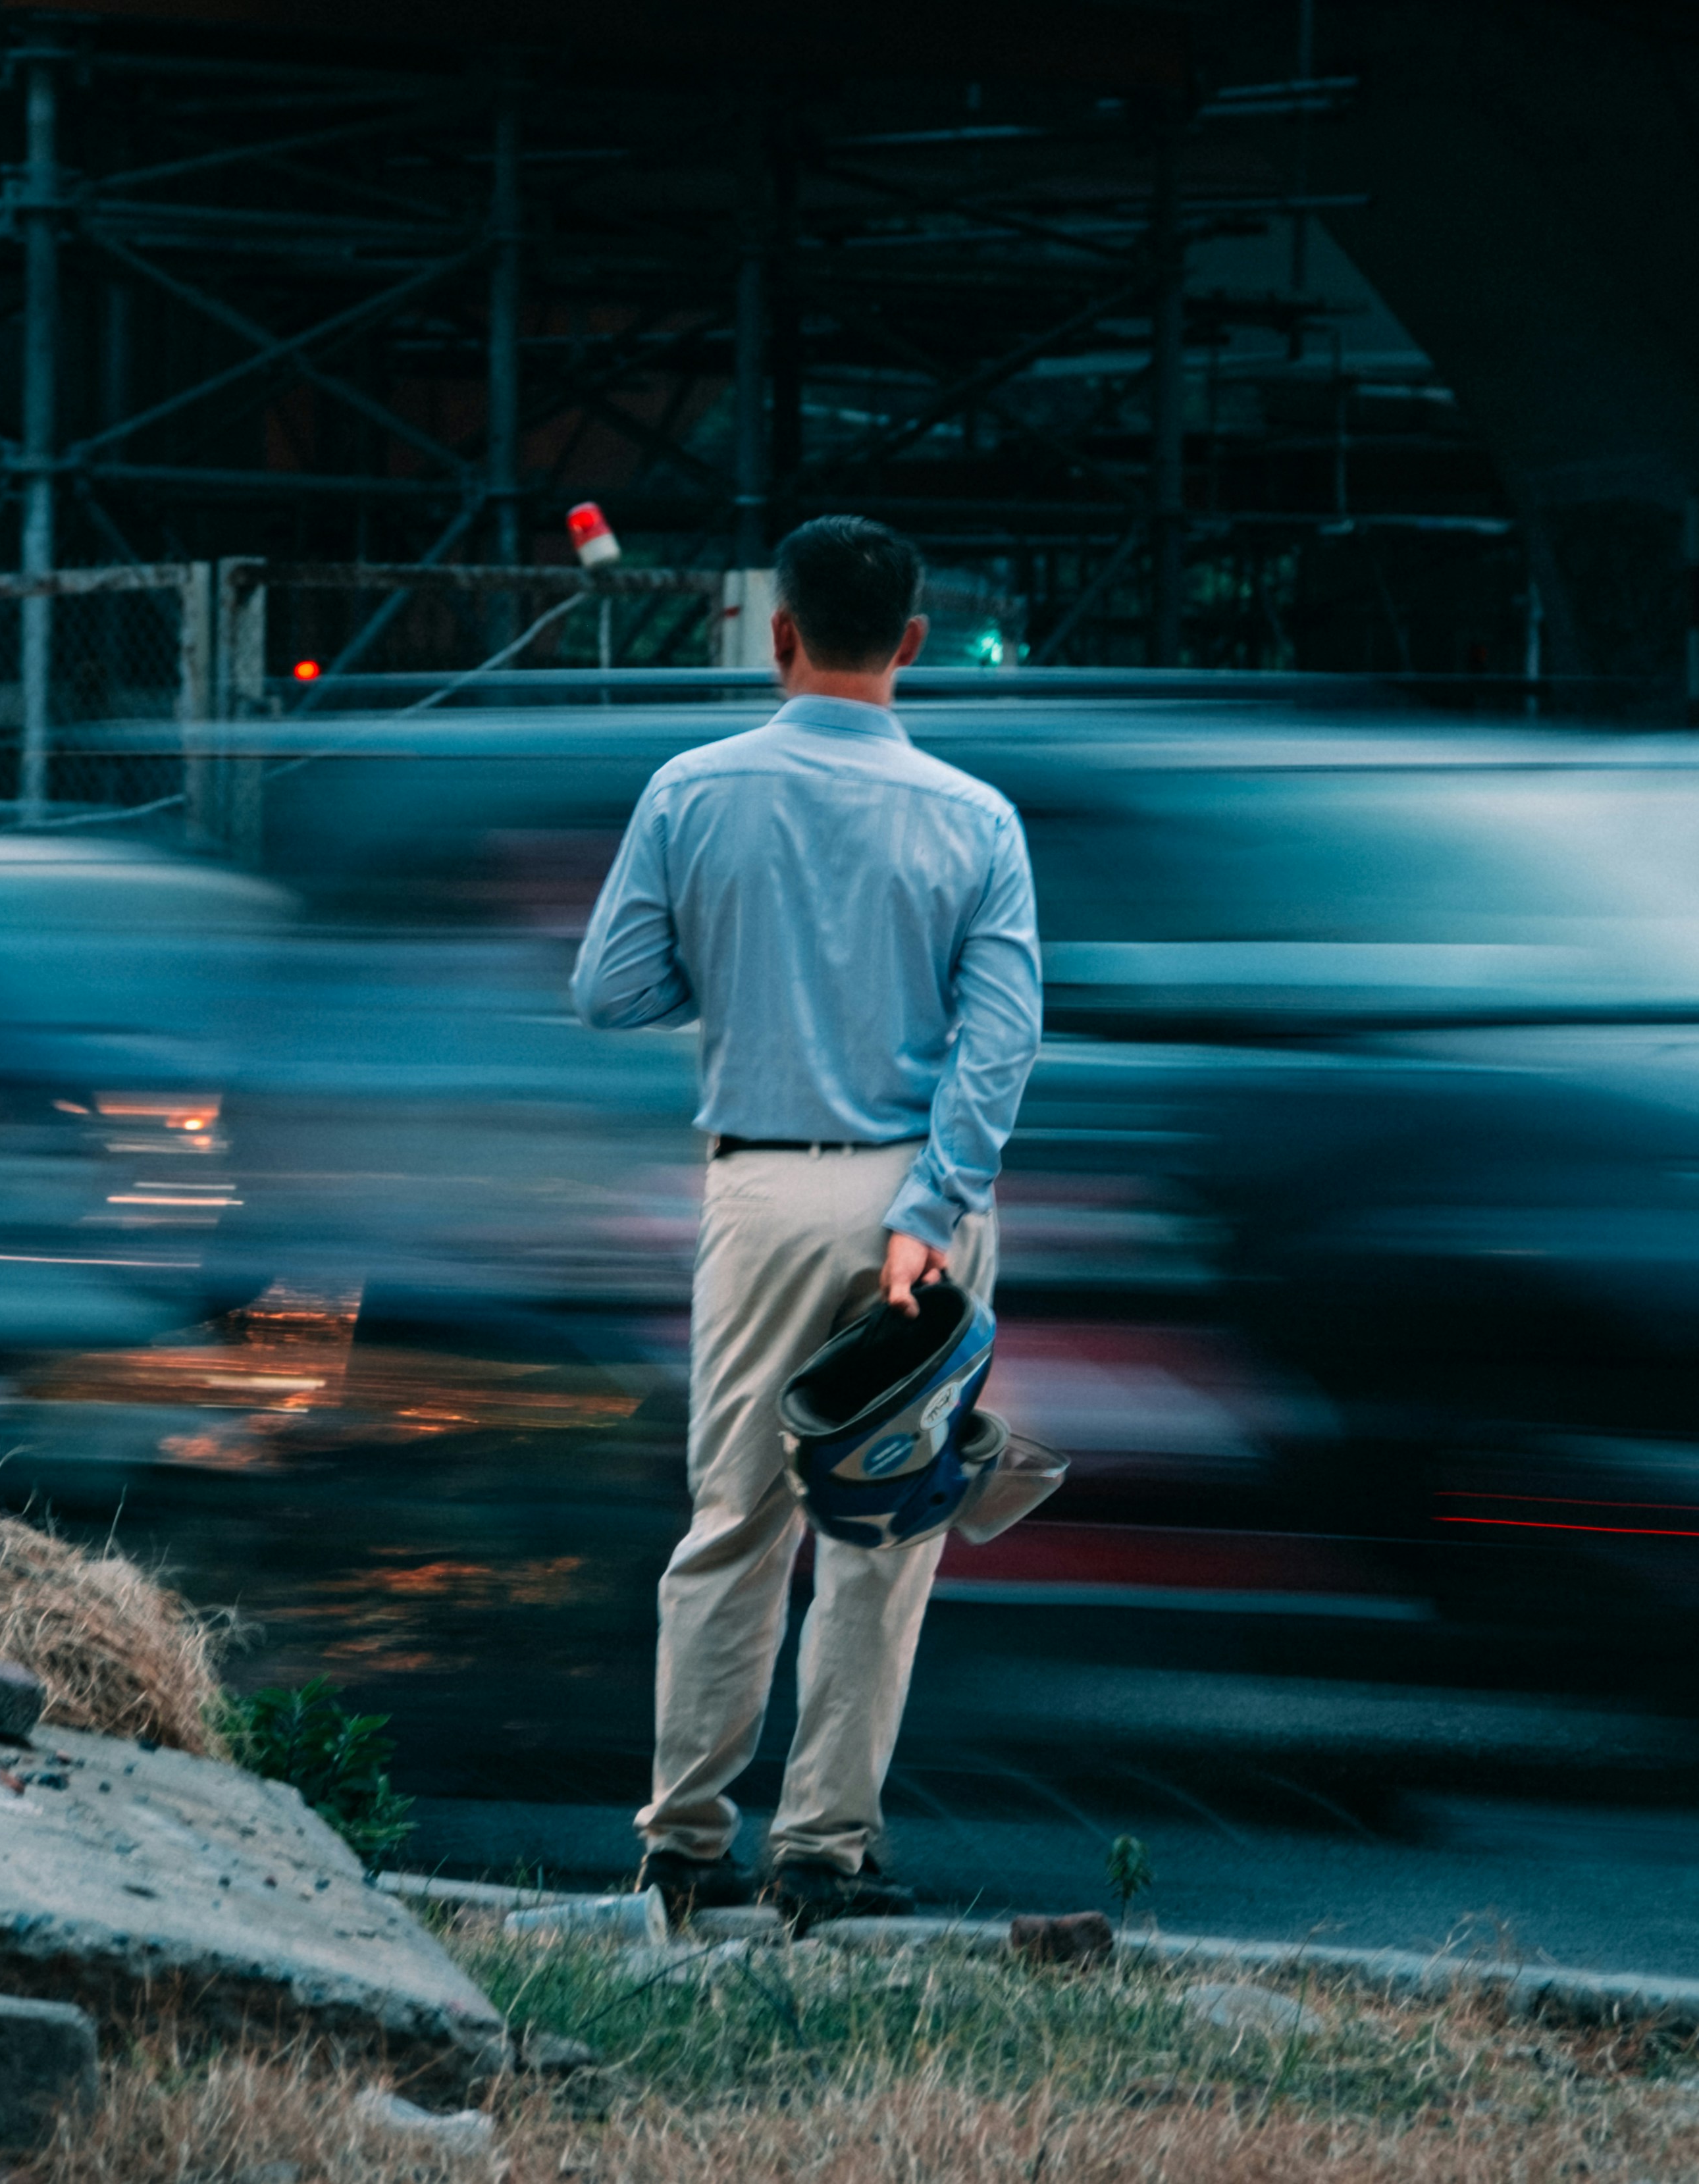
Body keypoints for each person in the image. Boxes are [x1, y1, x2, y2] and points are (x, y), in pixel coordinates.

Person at [569, 515, 1043, 1925]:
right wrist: (931, 1206)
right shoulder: (977, 819)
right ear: (911, 641)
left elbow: (608, 991)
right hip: (920, 1205)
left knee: (732, 1520)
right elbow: (1001, 1042)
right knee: (883, 1537)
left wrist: (738, 973)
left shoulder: (689, 792)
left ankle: (682, 1847)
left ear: (777, 634)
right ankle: (823, 1858)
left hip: (760, 1190)